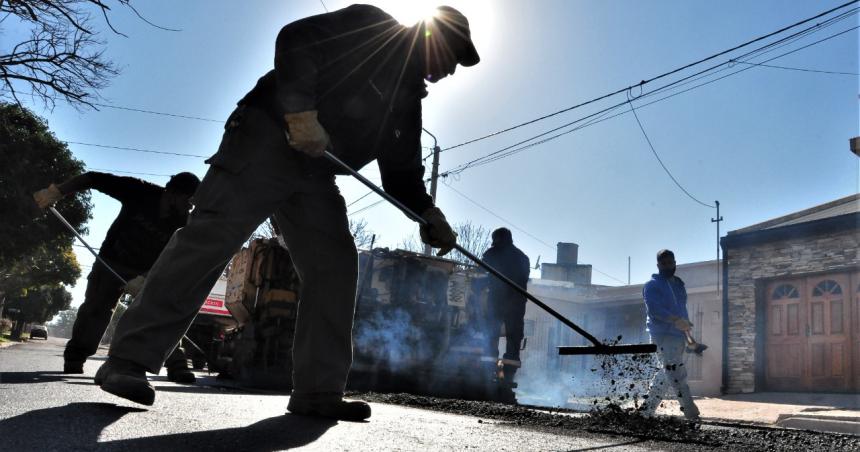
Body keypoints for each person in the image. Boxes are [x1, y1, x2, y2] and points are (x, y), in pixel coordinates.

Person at [93, 4, 480, 421]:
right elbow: (297, 38)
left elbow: (401, 175)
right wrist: (299, 112)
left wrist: (427, 213)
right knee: (211, 240)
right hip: (266, 138)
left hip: (314, 173)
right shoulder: (372, 26)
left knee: (334, 266)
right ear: (430, 37)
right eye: (452, 55)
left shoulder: (406, 106)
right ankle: (127, 360)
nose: (452, 71)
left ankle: (319, 391)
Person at [32, 171, 201, 384]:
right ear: (174, 194)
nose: (190, 208)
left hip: (147, 271)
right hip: (111, 261)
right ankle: (76, 356)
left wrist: (146, 277)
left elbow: (176, 256)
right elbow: (92, 178)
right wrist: (57, 191)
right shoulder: (139, 191)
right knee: (96, 309)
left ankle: (177, 365)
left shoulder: (185, 221)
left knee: (157, 313)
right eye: (189, 201)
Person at [639, 249, 701, 421]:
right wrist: (675, 320)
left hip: (678, 336)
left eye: (670, 263)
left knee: (666, 374)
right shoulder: (651, 285)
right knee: (676, 372)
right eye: (664, 264)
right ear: (658, 265)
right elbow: (655, 310)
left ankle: (645, 412)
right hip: (662, 335)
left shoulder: (679, 285)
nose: (668, 266)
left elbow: (683, 313)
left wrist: (689, 339)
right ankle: (691, 413)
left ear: (675, 263)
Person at [482, 228, 530, 401]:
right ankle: (508, 374)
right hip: (516, 304)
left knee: (491, 334)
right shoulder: (523, 258)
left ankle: (489, 368)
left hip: (497, 303)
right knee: (514, 336)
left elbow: (484, 277)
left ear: (496, 239)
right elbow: (524, 280)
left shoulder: (490, 254)